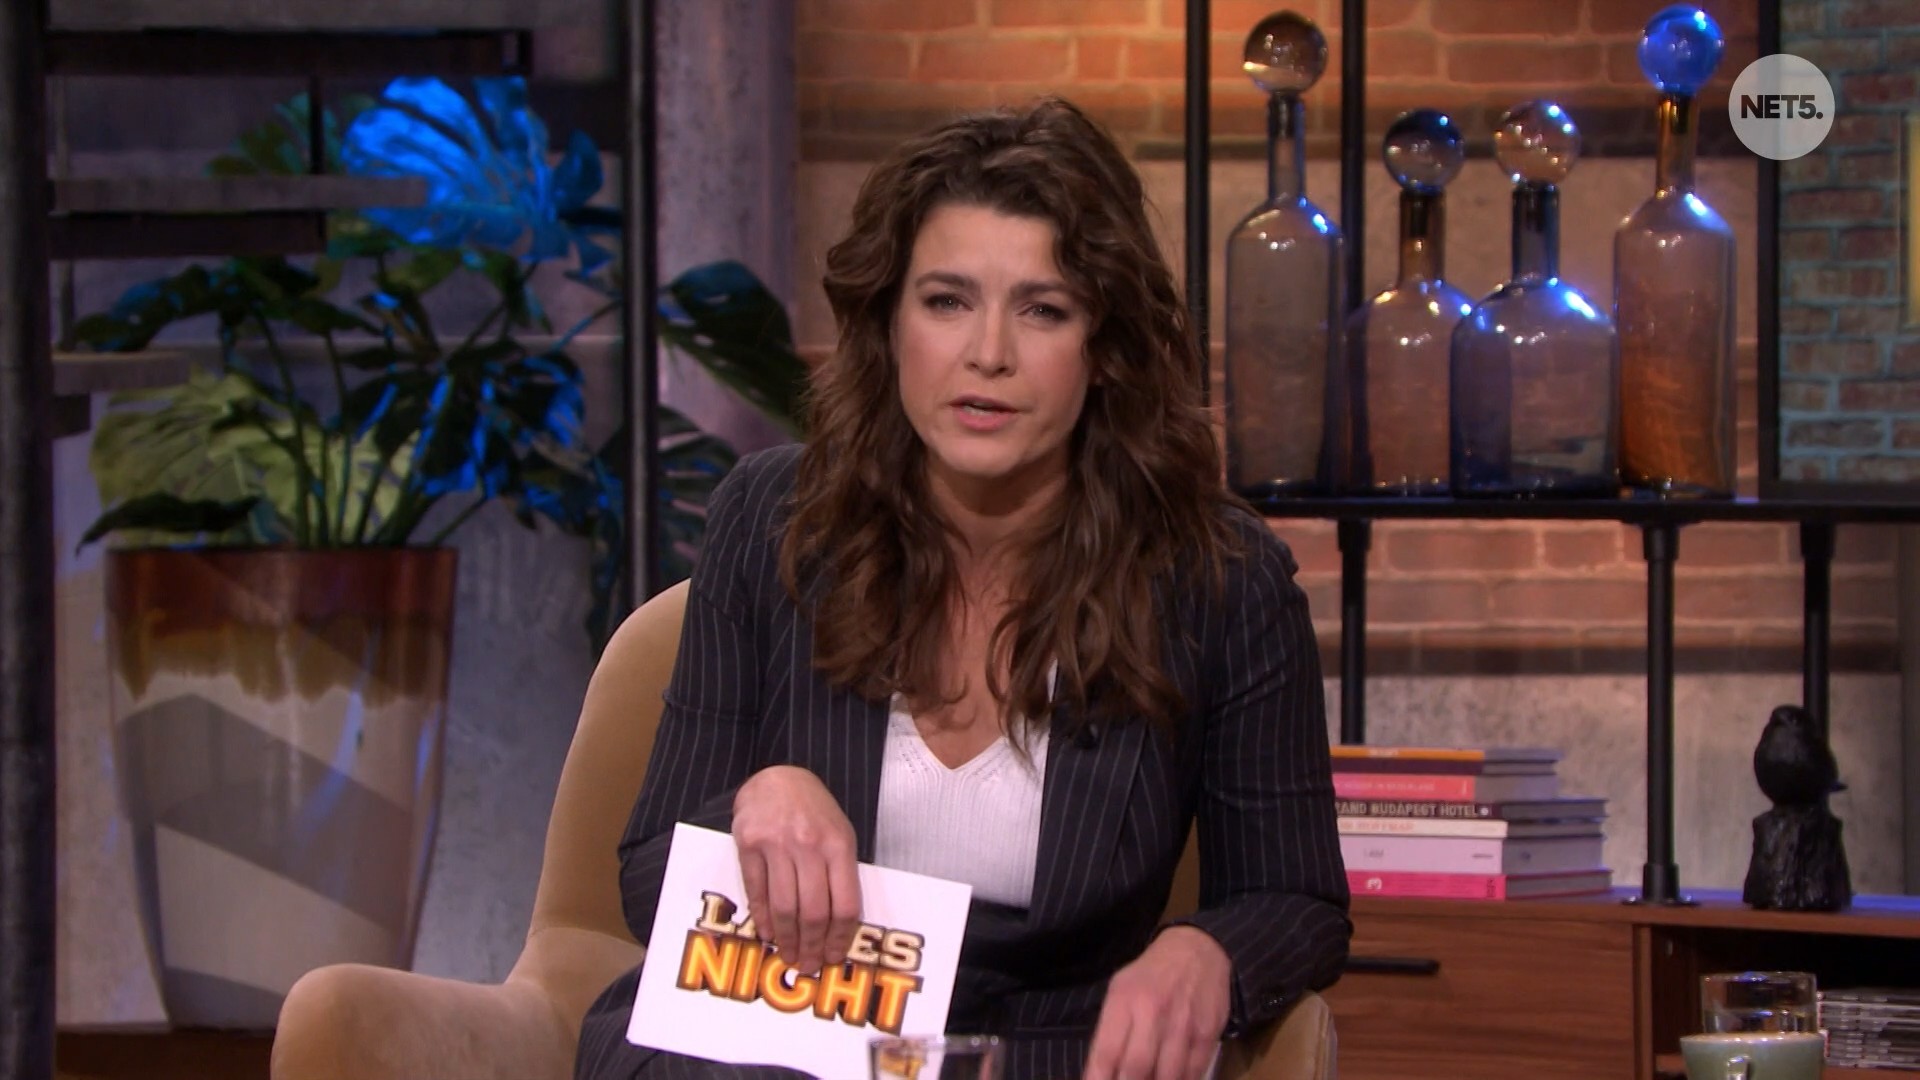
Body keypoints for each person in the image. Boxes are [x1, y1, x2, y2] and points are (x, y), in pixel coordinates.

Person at [575, 96, 1349, 1080]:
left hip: (1034, 1057)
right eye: (946, 301)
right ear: (888, 322)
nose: (989, 353)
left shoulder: (1218, 579)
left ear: (1105, 348)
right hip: (774, 1046)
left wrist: (1208, 954)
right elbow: (651, 875)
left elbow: (1295, 899)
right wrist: (756, 803)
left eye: (1043, 309)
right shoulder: (772, 521)